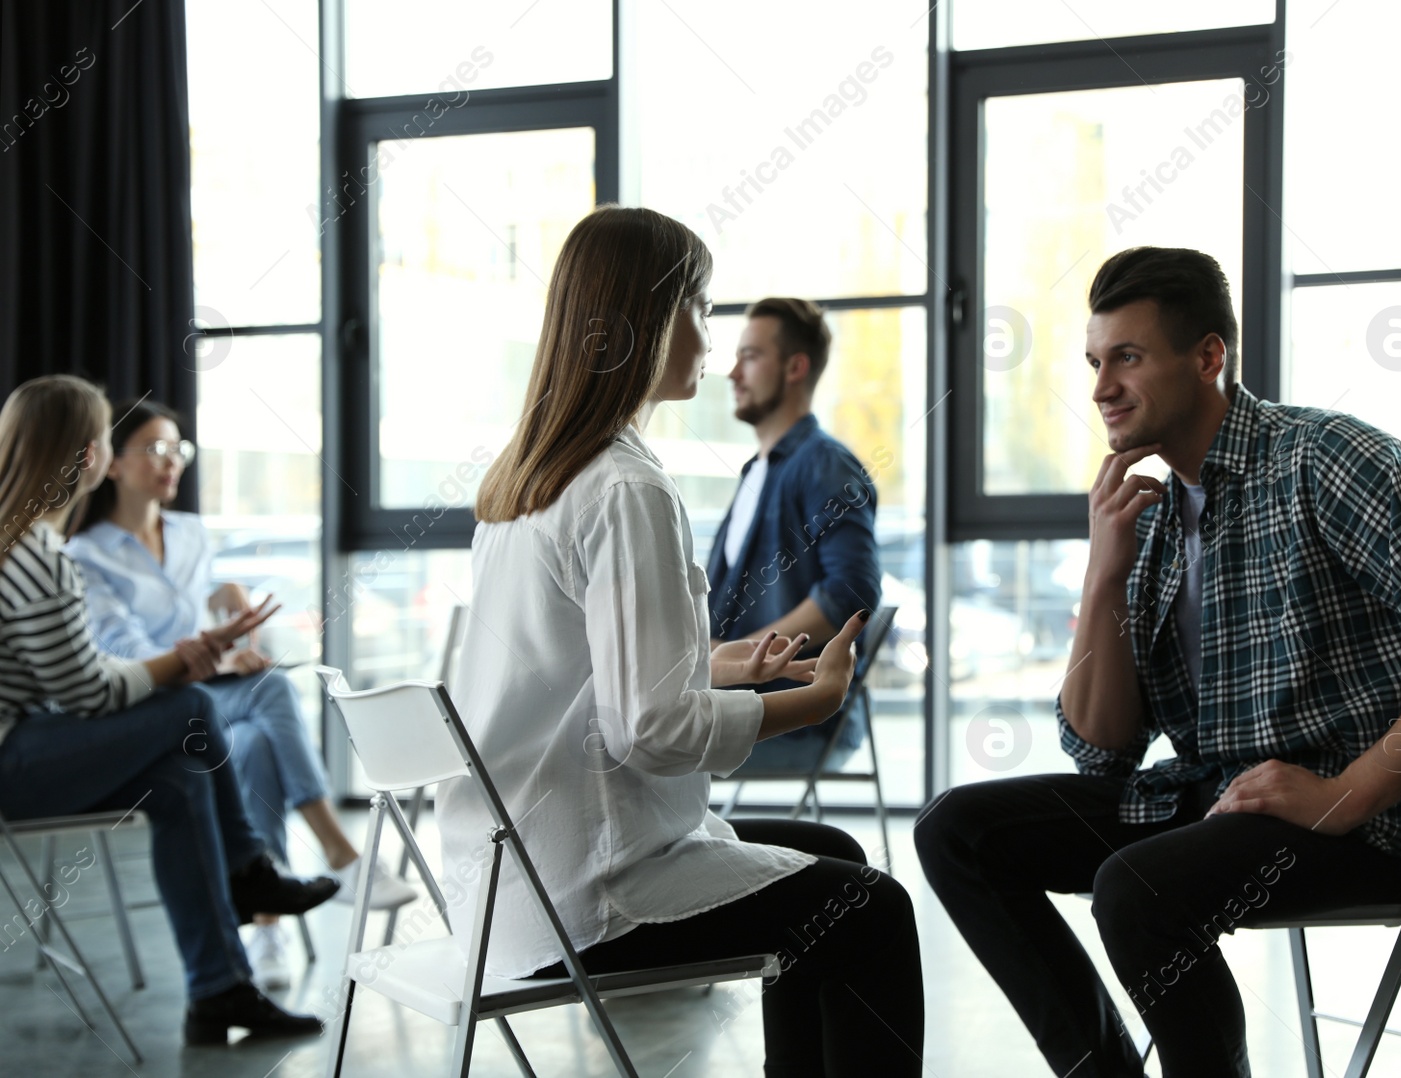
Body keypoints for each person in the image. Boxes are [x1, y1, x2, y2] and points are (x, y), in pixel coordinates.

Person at [914, 247, 1401, 1078]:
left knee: (1138, 890)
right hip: (1222, 801)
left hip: (1367, 818)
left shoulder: (1324, 457)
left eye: (1128, 358)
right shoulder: (1152, 516)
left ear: (1209, 357)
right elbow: (1102, 752)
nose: (1101, 386)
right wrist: (1104, 571)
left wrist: (1340, 795)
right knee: (957, 832)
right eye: (1095, 362)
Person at [436, 206, 924, 1076]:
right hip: (587, 891)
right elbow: (648, 732)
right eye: (698, 306)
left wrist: (722, 663)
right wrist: (807, 698)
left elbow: (583, 677)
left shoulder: (522, 483)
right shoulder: (627, 488)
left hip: (506, 889)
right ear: (641, 323)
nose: (713, 338)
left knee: (836, 857)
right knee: (873, 910)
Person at [0, 375, 341, 1044]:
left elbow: (75, 682)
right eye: (102, 435)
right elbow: (88, 695)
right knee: (189, 706)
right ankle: (250, 872)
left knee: (182, 779)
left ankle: (220, 991)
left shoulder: (20, 540)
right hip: (14, 759)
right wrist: (183, 660)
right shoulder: (39, 555)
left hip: (28, 740)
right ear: (91, 456)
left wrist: (184, 653)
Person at [65, 398, 417, 990]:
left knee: (252, 740)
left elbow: (202, 603)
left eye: (178, 450)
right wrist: (219, 655)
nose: (170, 462)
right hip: (154, 710)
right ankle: (340, 857)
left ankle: (269, 925)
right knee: (271, 691)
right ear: (114, 464)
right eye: (154, 450)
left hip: (208, 699)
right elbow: (127, 656)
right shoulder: (88, 554)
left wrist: (227, 595)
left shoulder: (189, 533)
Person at [707, 297, 883, 775]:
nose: (733, 374)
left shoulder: (824, 464)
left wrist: (734, 660)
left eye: (750, 356)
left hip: (800, 717)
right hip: (739, 701)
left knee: (633, 744)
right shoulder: (755, 472)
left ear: (795, 367)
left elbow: (850, 593)